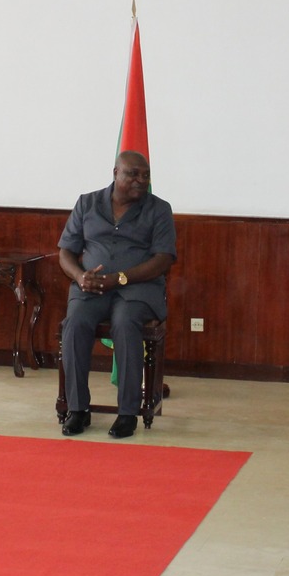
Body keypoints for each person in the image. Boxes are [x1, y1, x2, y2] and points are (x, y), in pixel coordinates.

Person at [58, 150, 177, 438]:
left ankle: (127, 413)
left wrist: (120, 278)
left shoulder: (159, 209)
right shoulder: (87, 203)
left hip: (138, 289)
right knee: (74, 324)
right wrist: (80, 276)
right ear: (115, 173)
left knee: (125, 322)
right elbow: (65, 252)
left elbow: (163, 259)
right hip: (92, 288)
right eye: (133, 174)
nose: (141, 180)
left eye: (145, 175)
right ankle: (78, 409)